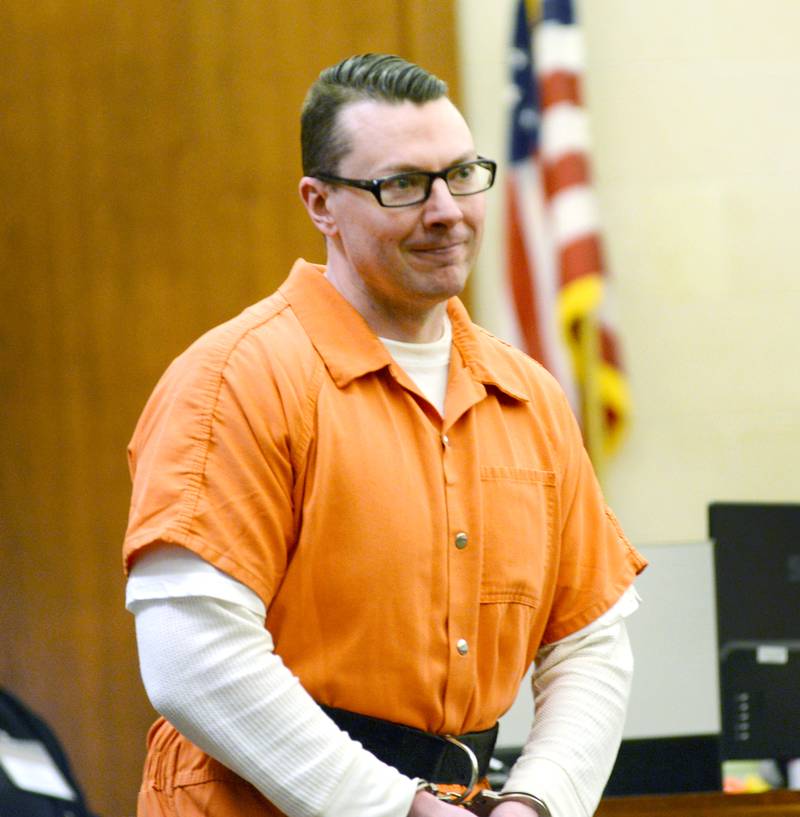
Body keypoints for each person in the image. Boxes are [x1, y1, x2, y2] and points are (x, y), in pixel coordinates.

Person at [123, 53, 647, 817]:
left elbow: (588, 644)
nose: (446, 210)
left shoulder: (527, 395)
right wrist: (396, 807)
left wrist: (537, 800)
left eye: (461, 173)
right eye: (402, 185)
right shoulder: (234, 380)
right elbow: (192, 657)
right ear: (320, 203)